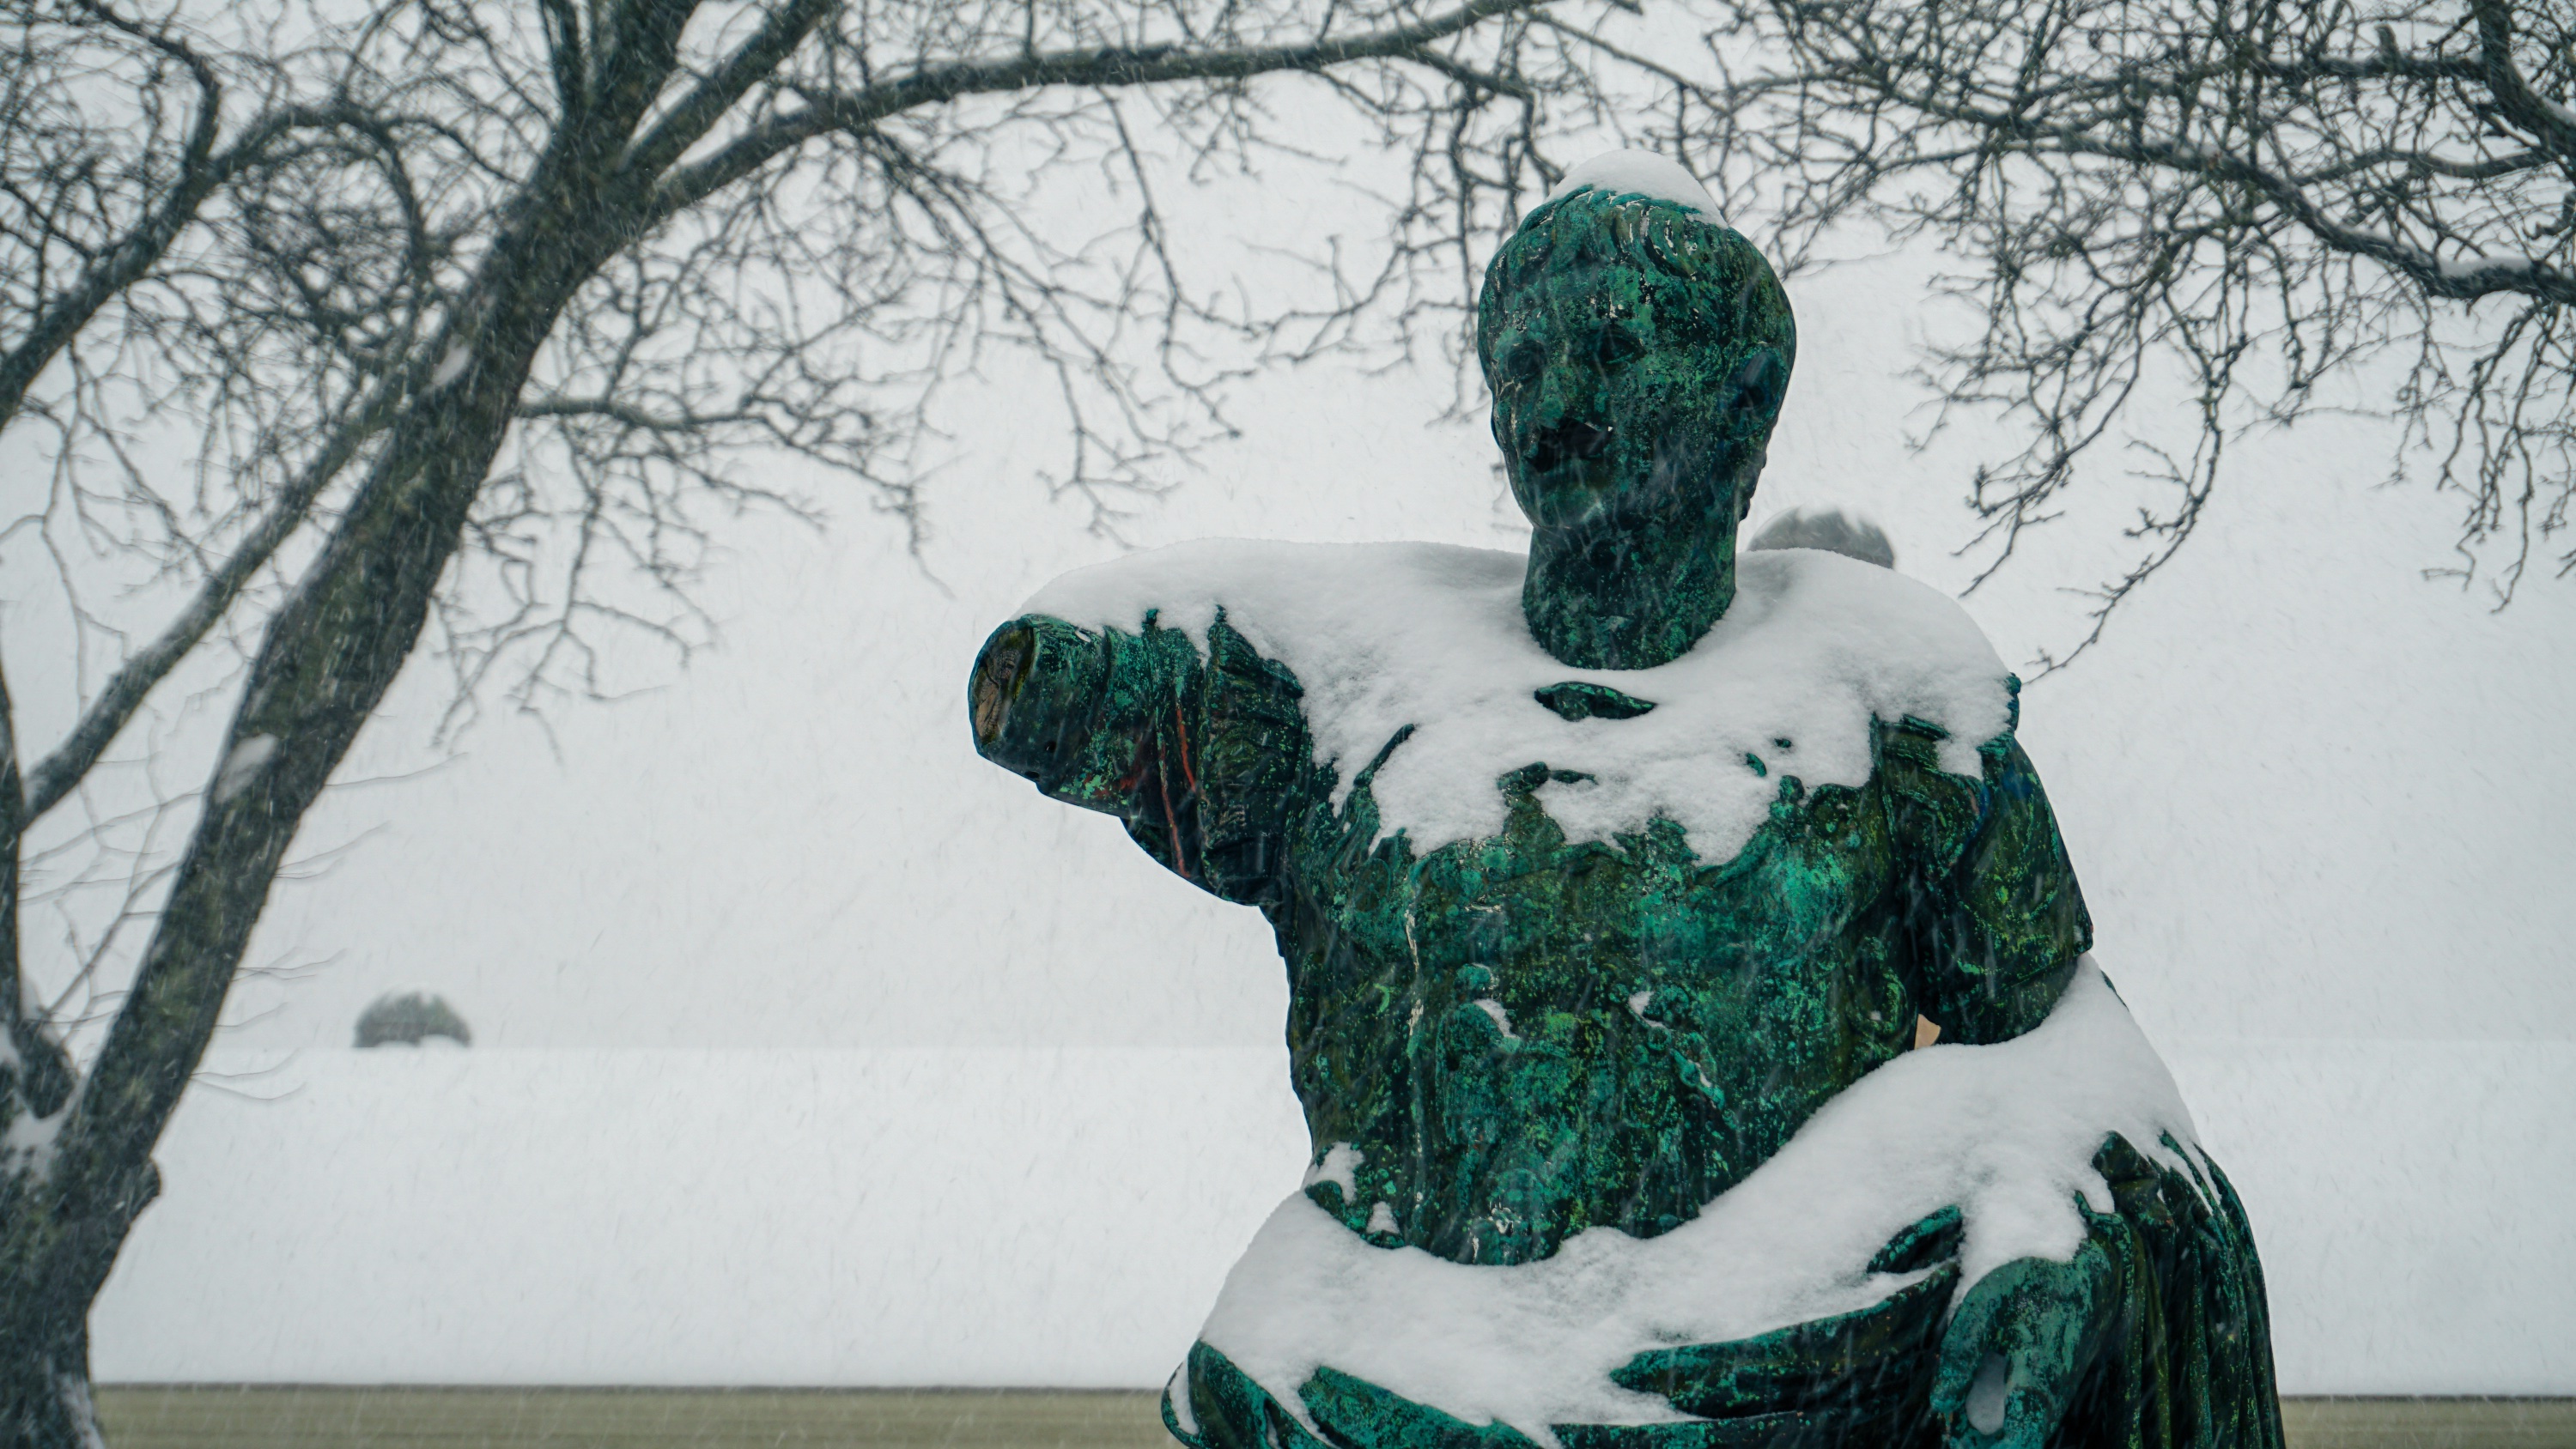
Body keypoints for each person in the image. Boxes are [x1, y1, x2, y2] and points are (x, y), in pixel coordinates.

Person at [968, 153, 2281, 1449]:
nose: (1553, 409)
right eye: (1520, 375)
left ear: (1742, 404)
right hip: (1365, 1371)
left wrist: (2051, 1228)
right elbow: (1106, 671)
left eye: (1606, 353)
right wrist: (1054, 679)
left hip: (1794, 1373)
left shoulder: (1888, 713)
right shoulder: (1365, 692)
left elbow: (2064, 1045)